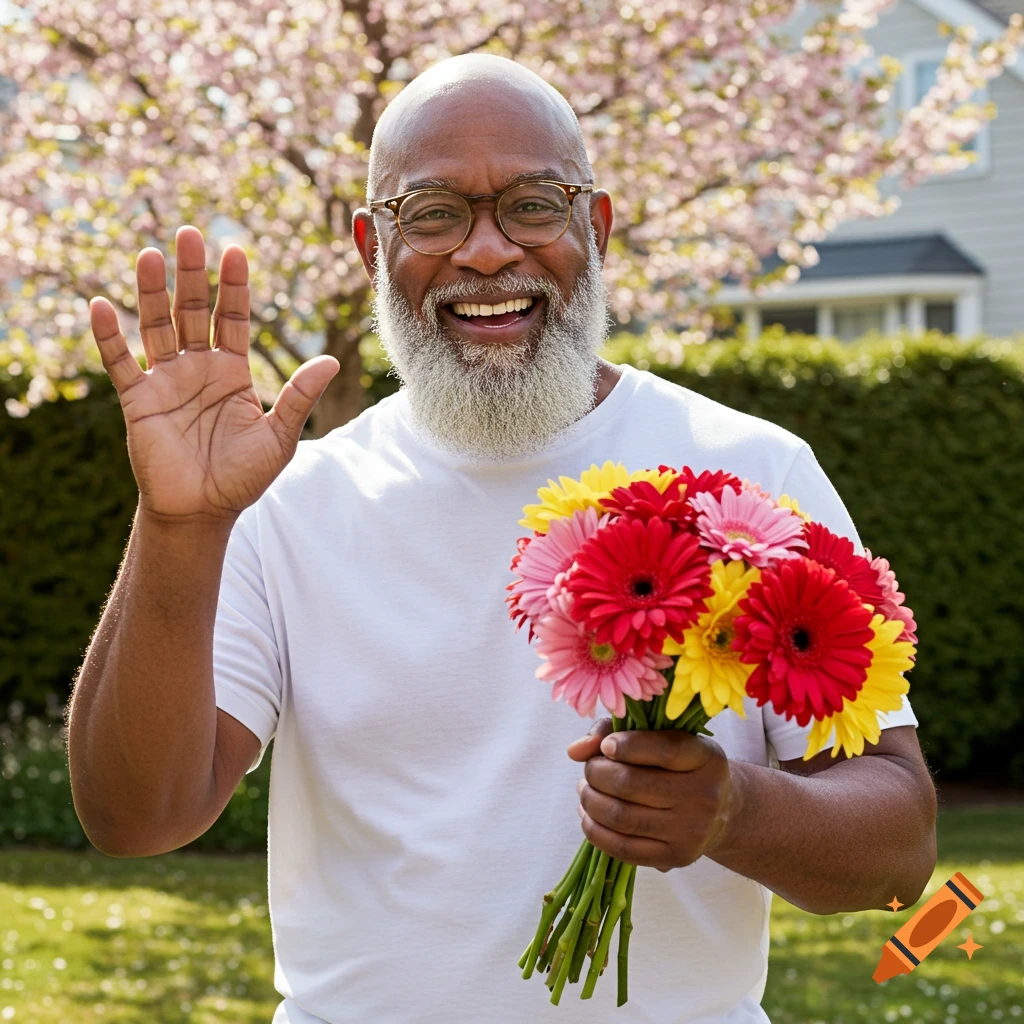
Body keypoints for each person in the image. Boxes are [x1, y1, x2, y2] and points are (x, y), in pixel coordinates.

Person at [68, 53, 937, 1024]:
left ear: (594, 228)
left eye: (533, 204)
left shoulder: (754, 474)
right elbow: (135, 817)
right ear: (370, 247)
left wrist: (735, 809)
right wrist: (178, 526)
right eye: (433, 214)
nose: (485, 252)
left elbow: (899, 854)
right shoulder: (289, 501)